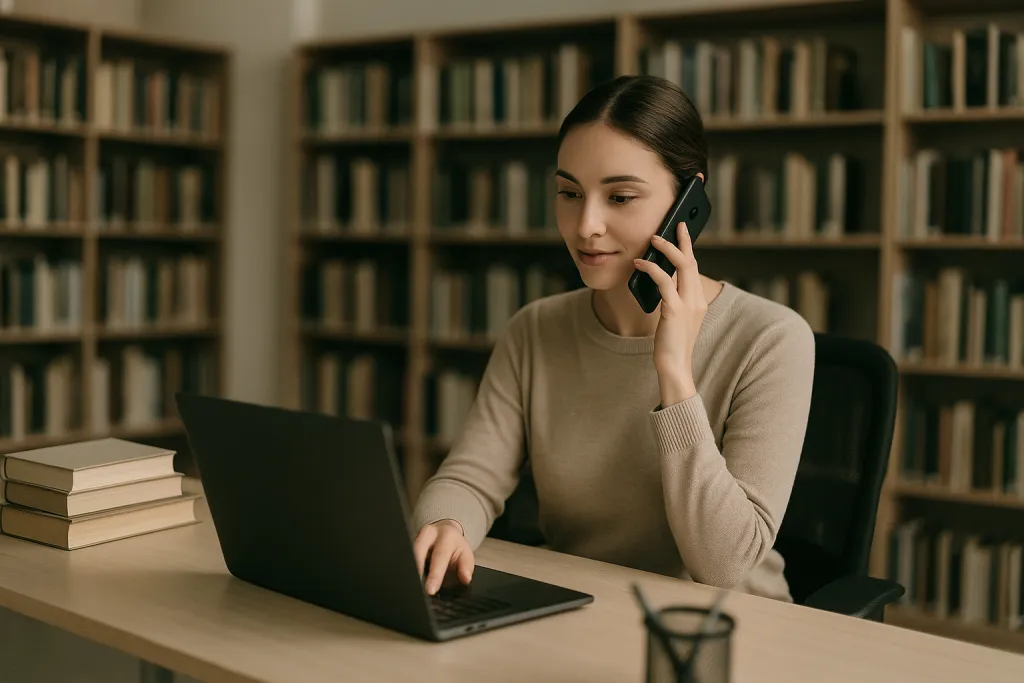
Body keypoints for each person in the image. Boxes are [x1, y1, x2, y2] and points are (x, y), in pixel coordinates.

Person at [410, 74, 816, 602]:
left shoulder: (771, 338)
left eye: (620, 196)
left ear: (688, 201)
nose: (586, 226)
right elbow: (469, 477)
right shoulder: (536, 329)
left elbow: (724, 564)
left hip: (721, 630)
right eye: (569, 193)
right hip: (584, 612)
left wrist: (674, 374)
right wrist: (447, 524)